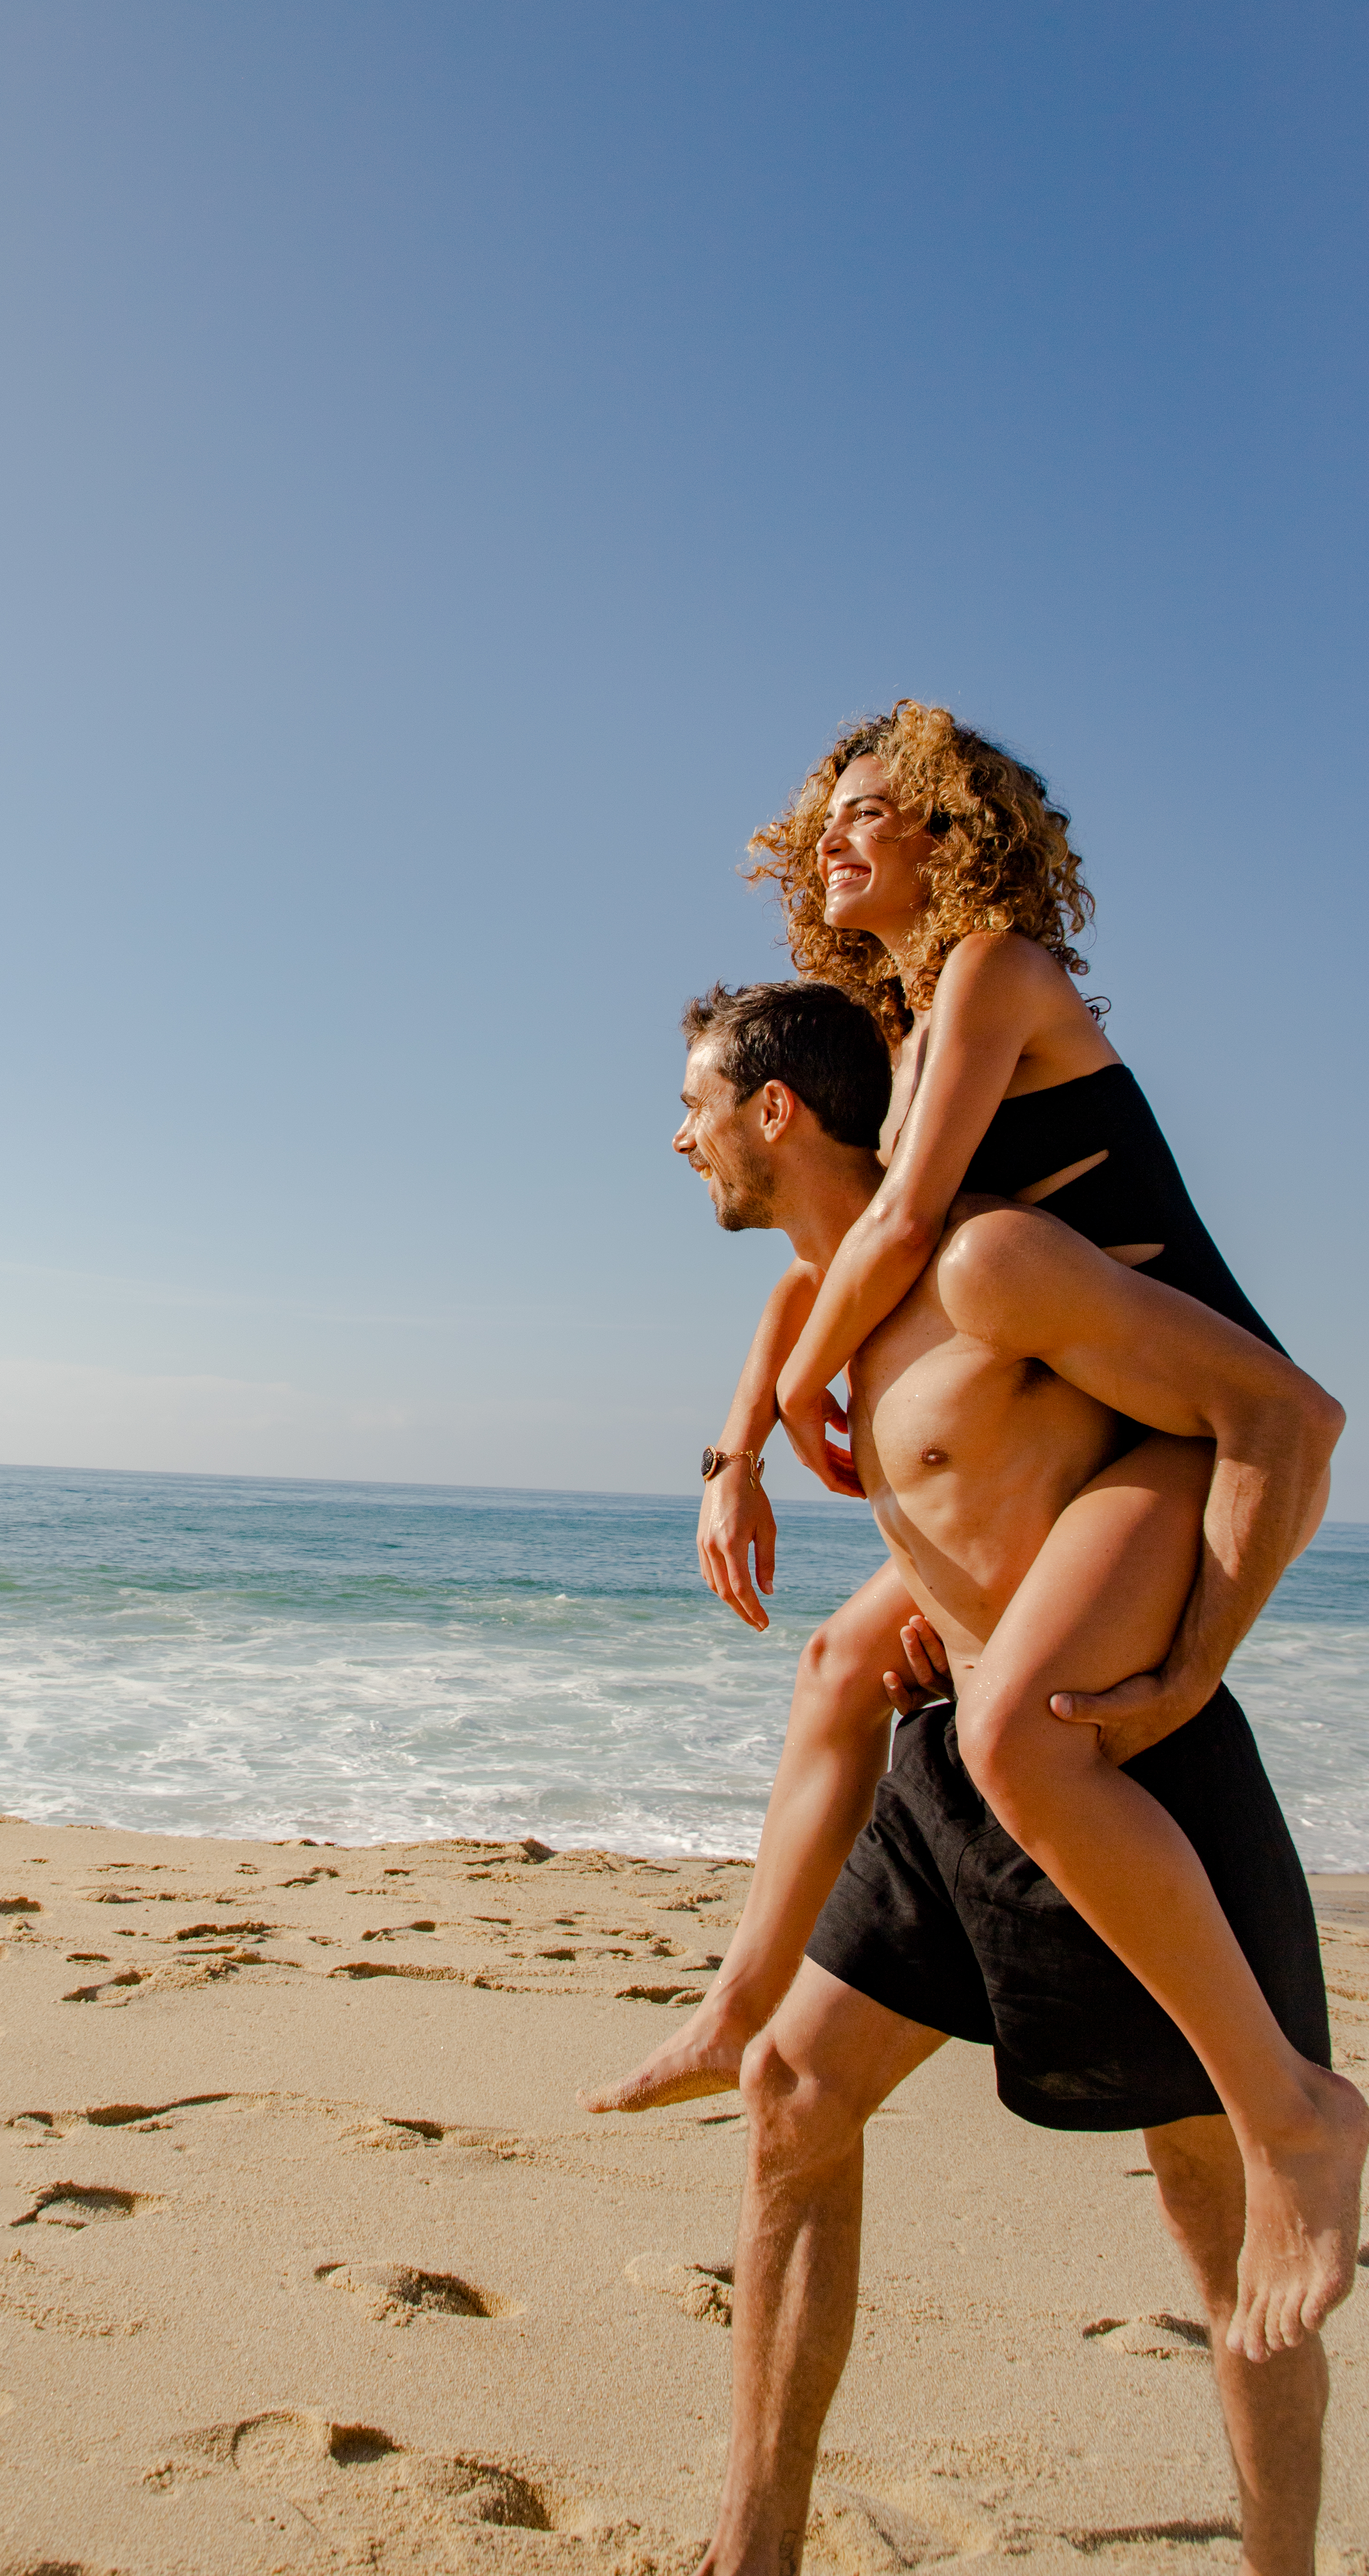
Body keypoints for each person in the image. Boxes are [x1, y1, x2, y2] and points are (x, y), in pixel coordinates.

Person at [590, 705, 1335, 2345]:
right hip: (1110, 1416)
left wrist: (810, 1393)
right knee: (845, 1664)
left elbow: (912, 1225)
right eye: (824, 821)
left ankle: (1296, 2110)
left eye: (872, 810)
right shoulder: (907, 1024)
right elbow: (833, 1249)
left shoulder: (993, 969)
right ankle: (736, 2012)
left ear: (950, 825)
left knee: (1011, 1730)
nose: (835, 841)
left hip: (1193, 1427)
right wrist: (739, 1440)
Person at [615, 983, 1358, 2573]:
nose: (673, 1138)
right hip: (950, 1766)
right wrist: (733, 1459)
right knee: (794, 2099)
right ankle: (752, 2550)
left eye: (694, 1106)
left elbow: (1278, 1420)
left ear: (777, 1114)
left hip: (1118, 1774)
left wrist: (1190, 1665)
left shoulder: (988, 1263)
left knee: (1217, 2208)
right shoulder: (825, 1302)